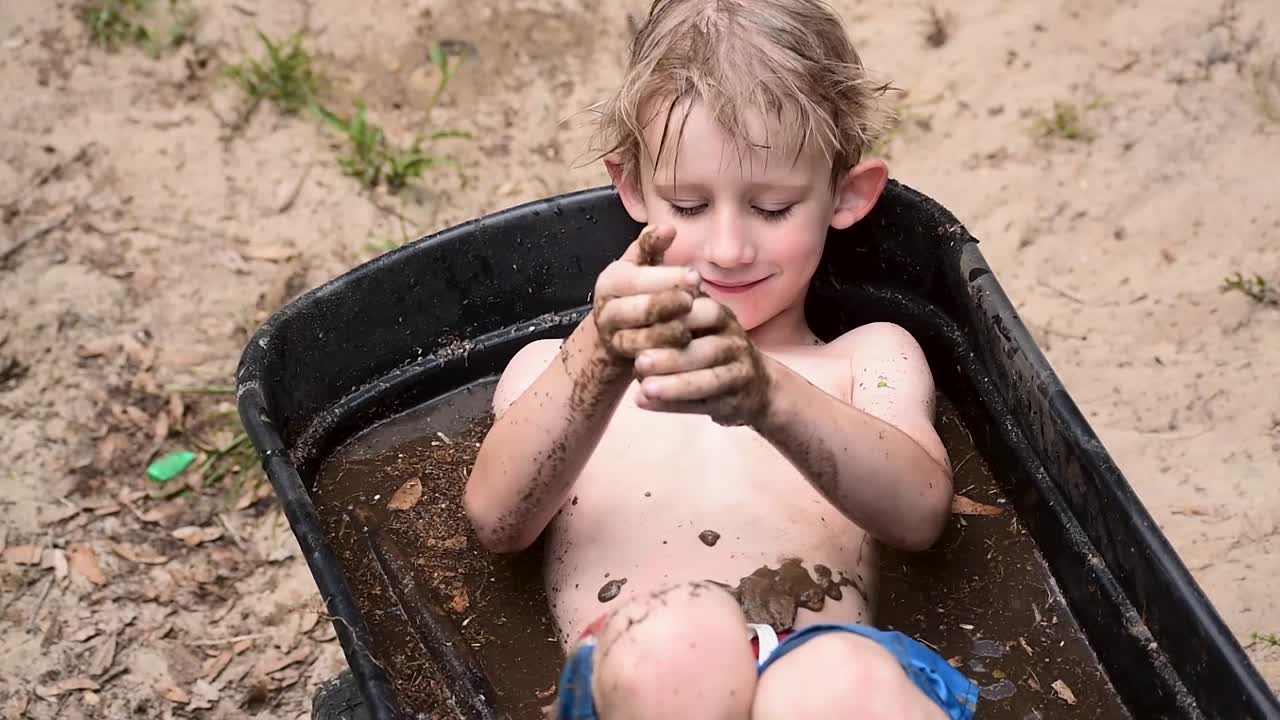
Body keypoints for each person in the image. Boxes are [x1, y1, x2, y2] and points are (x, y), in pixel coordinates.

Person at [464, 1, 979, 718]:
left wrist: (774, 397)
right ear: (635, 187)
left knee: (844, 679)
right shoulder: (554, 365)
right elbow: (495, 522)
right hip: (638, 666)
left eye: (771, 208)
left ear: (847, 195)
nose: (729, 248)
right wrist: (599, 354)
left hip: (816, 657)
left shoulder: (870, 359)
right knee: (682, 639)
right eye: (689, 203)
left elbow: (922, 516)